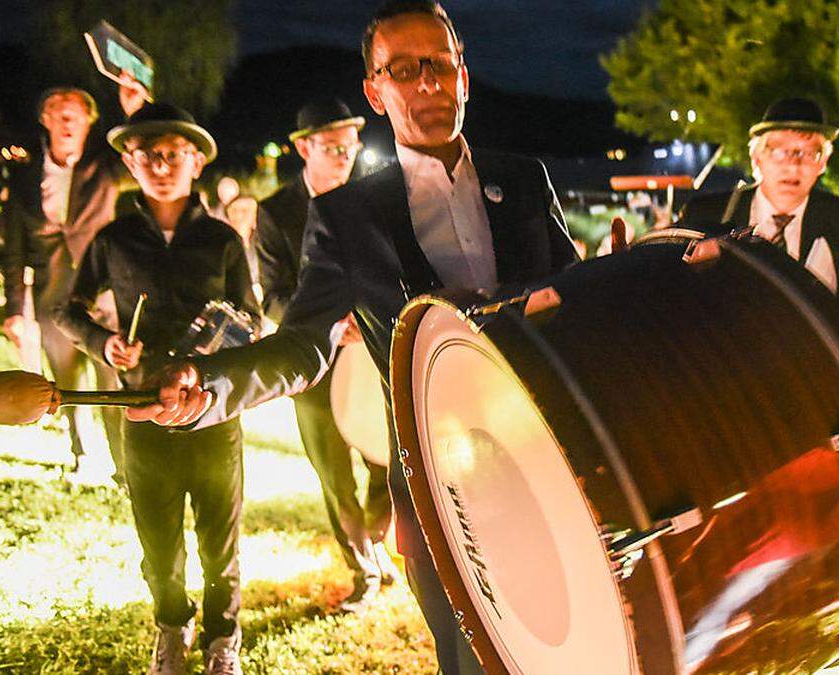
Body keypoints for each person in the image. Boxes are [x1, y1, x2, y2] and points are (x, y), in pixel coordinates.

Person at [125, 2, 578, 672]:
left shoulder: (524, 178)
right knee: (473, 653)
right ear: (375, 89)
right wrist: (214, 383)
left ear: (464, 75)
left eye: (441, 63)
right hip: (438, 484)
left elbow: (575, 304)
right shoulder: (348, 215)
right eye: (403, 68)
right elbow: (304, 342)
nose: (427, 81)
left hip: (546, 455)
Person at [56, 102, 259, 675]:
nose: (160, 165)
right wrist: (104, 344)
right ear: (131, 162)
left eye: (173, 154)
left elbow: (251, 319)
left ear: (196, 161)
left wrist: (225, 348)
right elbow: (67, 312)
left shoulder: (222, 241)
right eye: (147, 155)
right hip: (140, 408)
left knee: (220, 539)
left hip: (212, 412)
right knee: (158, 542)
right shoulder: (114, 238)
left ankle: (223, 636)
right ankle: (173, 625)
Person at [254, 98, 396, 608]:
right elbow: (271, 296)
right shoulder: (275, 213)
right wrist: (330, 325)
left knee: (388, 462)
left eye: (351, 147)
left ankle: (380, 542)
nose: (344, 156)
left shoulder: (375, 201)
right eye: (333, 147)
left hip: (374, 358)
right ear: (303, 148)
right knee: (334, 476)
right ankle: (363, 570)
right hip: (314, 366)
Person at [0, 81, 145, 482]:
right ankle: (83, 456)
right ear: (45, 120)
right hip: (53, 300)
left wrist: (132, 113)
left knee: (113, 386)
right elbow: (13, 251)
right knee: (65, 386)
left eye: (75, 118)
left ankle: (125, 466)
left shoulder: (104, 169)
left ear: (87, 124)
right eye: (60, 116)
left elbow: (138, 158)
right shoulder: (25, 179)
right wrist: (15, 309)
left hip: (103, 297)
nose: (67, 123)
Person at [680, 97, 839, 322]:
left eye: (808, 153)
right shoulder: (707, 213)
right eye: (780, 151)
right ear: (757, 157)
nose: (793, 165)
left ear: (823, 162)